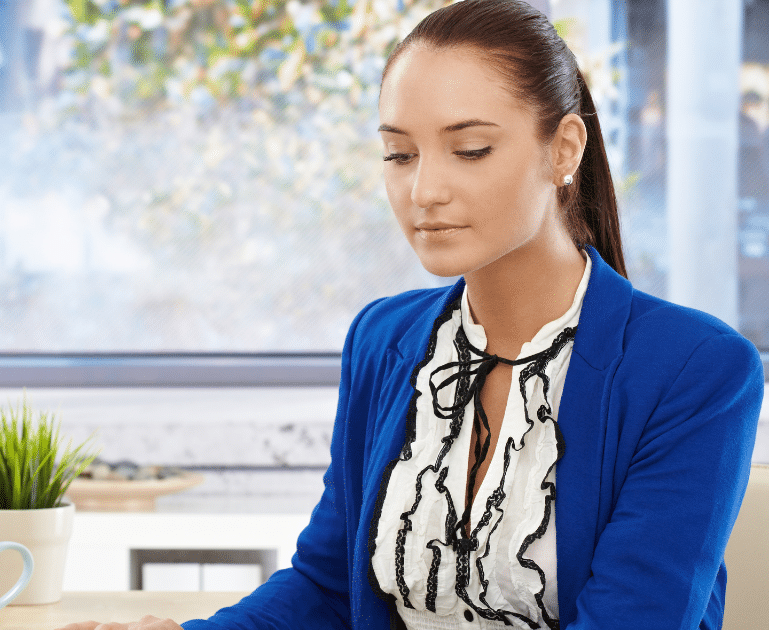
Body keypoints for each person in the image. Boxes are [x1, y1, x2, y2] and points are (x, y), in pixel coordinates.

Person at [56, 1, 764, 628]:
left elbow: (633, 618)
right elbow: (329, 590)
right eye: (398, 154)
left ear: (565, 149)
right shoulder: (384, 339)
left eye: (471, 149)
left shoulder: (697, 369)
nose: (423, 190)